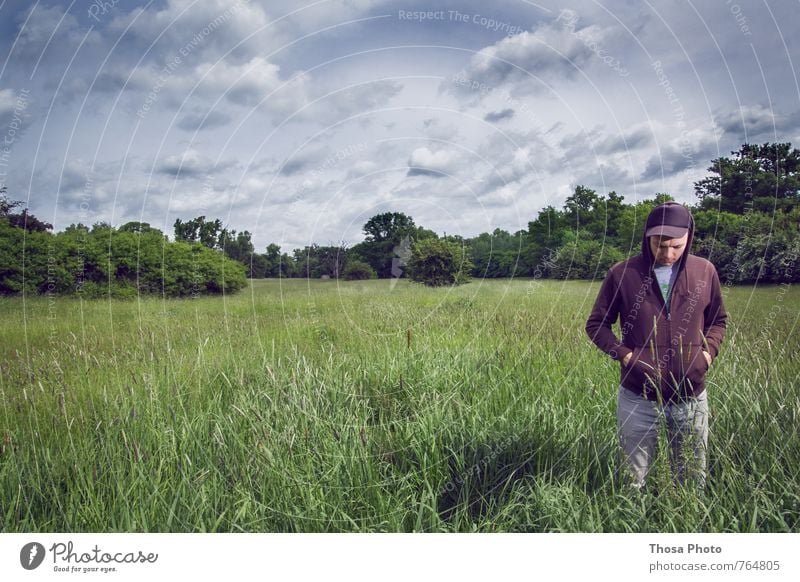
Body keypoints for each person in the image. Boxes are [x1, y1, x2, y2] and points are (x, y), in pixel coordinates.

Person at [585, 201, 727, 491]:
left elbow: (718, 321)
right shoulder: (622, 273)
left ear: (689, 238)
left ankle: (686, 524)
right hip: (638, 396)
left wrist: (707, 354)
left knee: (691, 479)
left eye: (676, 246)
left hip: (690, 396)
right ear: (647, 237)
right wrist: (625, 356)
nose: (668, 254)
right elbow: (596, 325)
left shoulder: (705, 271)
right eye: (659, 245)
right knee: (632, 480)